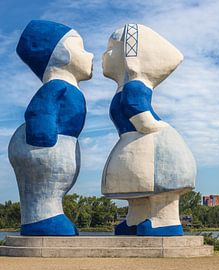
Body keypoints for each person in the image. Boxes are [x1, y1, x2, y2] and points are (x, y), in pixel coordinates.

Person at [101, 24, 197, 236]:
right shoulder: (125, 86)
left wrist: (152, 126)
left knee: (158, 189)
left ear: (130, 54)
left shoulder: (135, 86)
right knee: (140, 191)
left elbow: (139, 113)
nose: (104, 54)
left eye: (111, 48)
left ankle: (165, 221)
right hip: (135, 142)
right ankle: (136, 218)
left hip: (152, 144)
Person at [8, 20, 93, 236]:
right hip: (47, 145)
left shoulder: (65, 86)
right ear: (62, 55)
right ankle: (43, 218)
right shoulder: (56, 86)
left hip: (60, 142)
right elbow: (37, 111)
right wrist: (44, 140)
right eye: (82, 48)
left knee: (49, 190)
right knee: (43, 190)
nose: (90, 55)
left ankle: (47, 216)